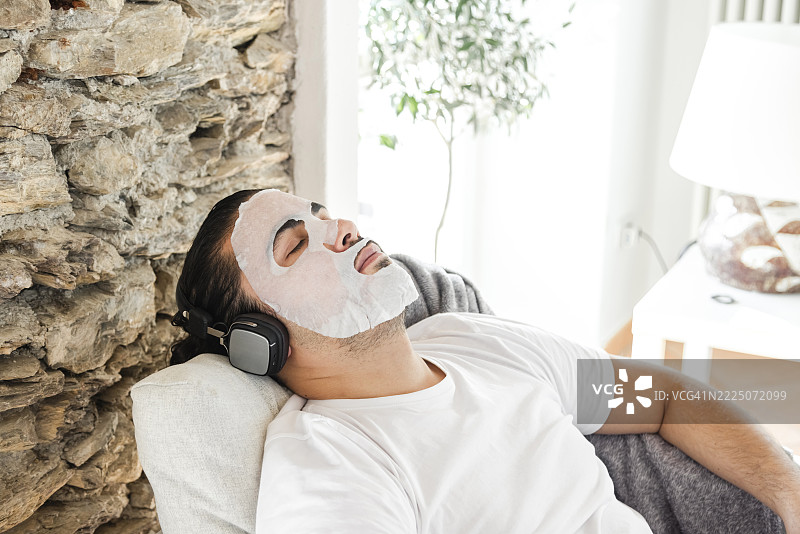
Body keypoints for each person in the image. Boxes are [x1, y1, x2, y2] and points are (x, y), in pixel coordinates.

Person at [171, 188, 800, 533]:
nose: (338, 226)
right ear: (260, 340)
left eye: (318, 212)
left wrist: (790, 497)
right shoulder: (330, 463)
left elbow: (662, 398)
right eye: (296, 244)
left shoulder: (473, 339)